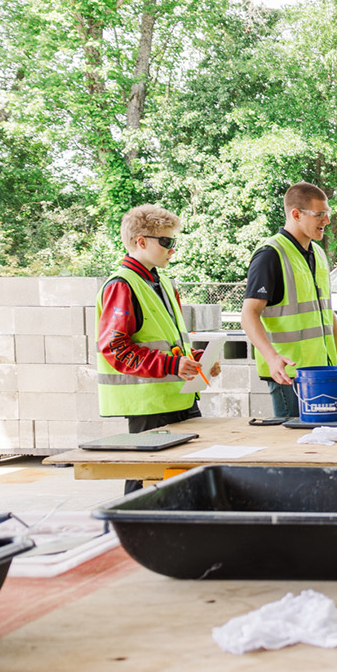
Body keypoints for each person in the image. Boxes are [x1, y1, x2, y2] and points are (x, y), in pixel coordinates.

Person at [96, 205, 211, 494]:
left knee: (185, 478)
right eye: (166, 241)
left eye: (174, 241)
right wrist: (171, 365)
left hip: (178, 398)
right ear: (141, 242)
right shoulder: (122, 285)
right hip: (150, 406)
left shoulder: (161, 283)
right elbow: (114, 348)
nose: (173, 249)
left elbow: (168, 343)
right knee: (145, 481)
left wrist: (197, 360)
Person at [240, 182, 337, 419]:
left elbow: (327, 314)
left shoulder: (318, 253)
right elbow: (248, 315)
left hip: (323, 373)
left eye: (327, 213)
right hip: (290, 375)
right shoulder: (270, 254)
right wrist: (272, 358)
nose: (327, 221)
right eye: (319, 214)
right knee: (293, 439)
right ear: (296, 214)